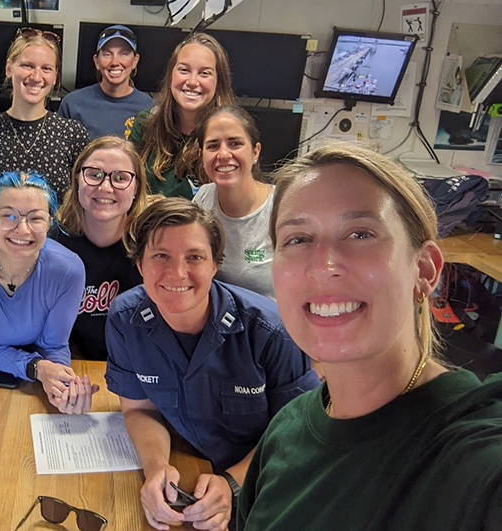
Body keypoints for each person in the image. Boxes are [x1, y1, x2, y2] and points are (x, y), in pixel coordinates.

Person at [237, 143, 502, 531]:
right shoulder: (285, 430)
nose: (324, 267)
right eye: (297, 240)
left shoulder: (471, 456)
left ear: (425, 269)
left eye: (360, 233)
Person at [105, 197, 318, 531]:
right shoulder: (124, 319)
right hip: (191, 478)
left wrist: (232, 483)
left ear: (216, 264)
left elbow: (299, 433)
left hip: (269, 484)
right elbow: (139, 410)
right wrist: (156, 466)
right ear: (140, 264)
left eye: (195, 257)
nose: (177, 273)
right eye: (161, 256)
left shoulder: (271, 331)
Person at [0, 171, 95, 414]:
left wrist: (61, 387)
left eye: (35, 218)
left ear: (50, 222)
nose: (23, 230)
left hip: (26, 369)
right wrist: (37, 369)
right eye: (9, 216)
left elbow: (54, 345)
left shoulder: (68, 270)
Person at [0, 28, 89, 247]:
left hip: (53, 259)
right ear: (10, 68)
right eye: (27, 65)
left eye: (46, 68)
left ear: (55, 76)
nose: (36, 77)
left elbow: (82, 208)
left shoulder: (73, 134)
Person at [57, 136, 148, 360]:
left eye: (120, 178)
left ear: (136, 187)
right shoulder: (53, 241)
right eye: (94, 175)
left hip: (135, 367)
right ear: (77, 179)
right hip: (68, 364)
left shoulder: (152, 244)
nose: (105, 187)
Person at [127, 32, 236, 199]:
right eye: (184, 70)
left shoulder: (231, 135)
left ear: (218, 81)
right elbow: (126, 187)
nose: (192, 82)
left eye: (204, 73)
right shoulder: (146, 123)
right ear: (171, 74)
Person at [193, 106, 275, 299]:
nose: (223, 154)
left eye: (235, 143)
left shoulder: (281, 208)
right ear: (201, 154)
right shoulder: (203, 199)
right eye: (213, 145)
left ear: (255, 152)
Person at [58, 25, 155, 140]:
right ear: (96, 61)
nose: (115, 62)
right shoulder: (72, 104)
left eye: (123, 54)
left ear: (135, 61)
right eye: (107, 54)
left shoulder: (150, 109)